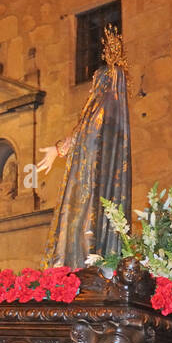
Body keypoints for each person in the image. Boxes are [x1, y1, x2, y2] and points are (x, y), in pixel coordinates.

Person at [39, 24, 132, 267]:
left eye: (95, 81)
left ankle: (89, 257)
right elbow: (82, 134)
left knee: (87, 215)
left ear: (103, 81)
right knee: (79, 216)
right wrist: (59, 149)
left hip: (93, 178)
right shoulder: (101, 108)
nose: (92, 87)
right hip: (88, 175)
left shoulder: (104, 106)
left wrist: (61, 148)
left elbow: (87, 135)